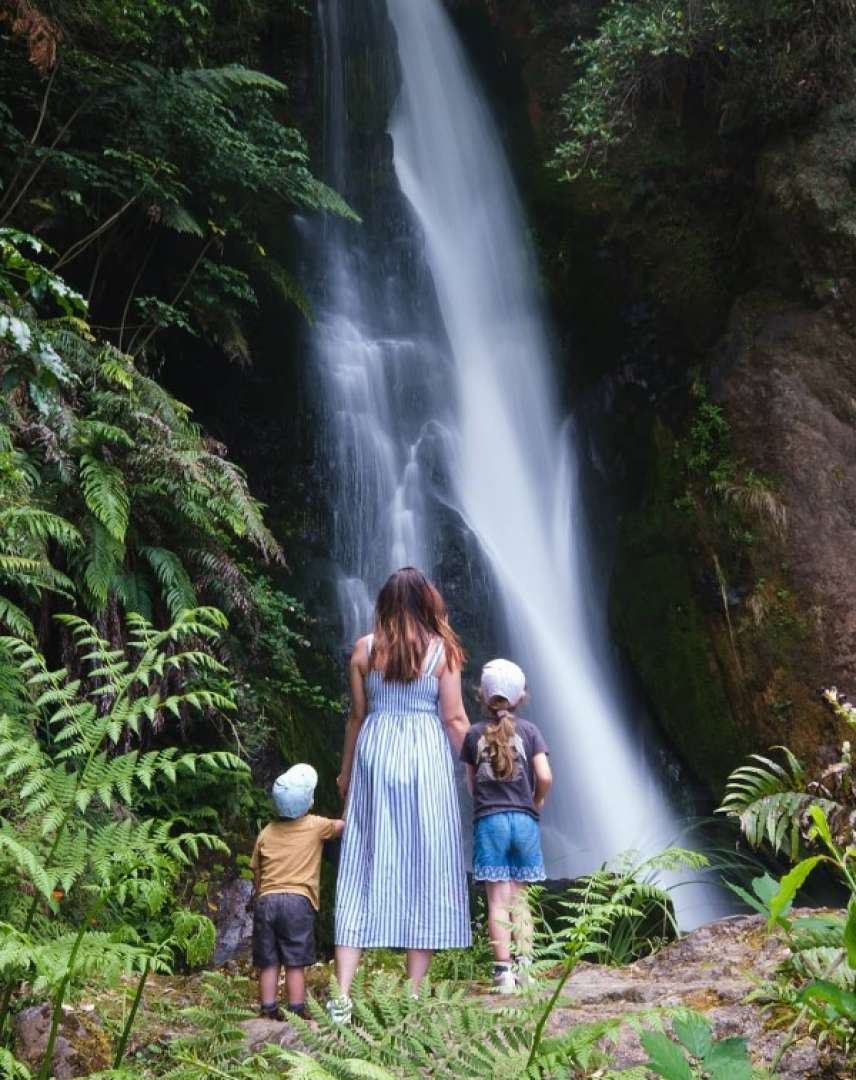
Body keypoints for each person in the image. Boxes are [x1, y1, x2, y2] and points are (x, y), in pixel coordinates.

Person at [330, 567, 472, 1022]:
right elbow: (454, 720)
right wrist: (476, 764)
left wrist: (346, 773)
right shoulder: (442, 653)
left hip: (375, 755)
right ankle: (412, 995)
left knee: (360, 863)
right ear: (427, 603)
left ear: (385, 603)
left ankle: (342, 996)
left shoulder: (364, 649)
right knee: (426, 862)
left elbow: (356, 715)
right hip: (424, 759)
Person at [460, 659, 552, 993]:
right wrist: (536, 800)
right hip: (525, 821)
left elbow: (471, 785)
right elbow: (544, 776)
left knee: (497, 900)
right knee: (521, 899)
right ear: (521, 697)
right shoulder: (530, 732)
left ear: (481, 696)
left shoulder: (473, 735)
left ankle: (503, 975)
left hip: (490, 821)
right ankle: (527, 968)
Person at [251, 763, 345, 1020]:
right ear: (309, 802)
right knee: (295, 961)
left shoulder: (266, 833)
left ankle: (268, 1008)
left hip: (267, 901)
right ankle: (296, 1009)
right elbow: (342, 826)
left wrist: (263, 894)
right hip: (297, 903)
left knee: (269, 961)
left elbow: (257, 872)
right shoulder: (316, 825)